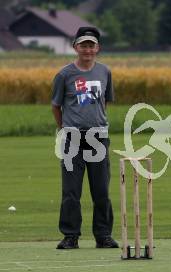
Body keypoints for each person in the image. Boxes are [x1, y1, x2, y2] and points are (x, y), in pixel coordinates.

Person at [52, 26, 118, 249]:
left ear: (98, 48)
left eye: (91, 45)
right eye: (83, 45)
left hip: (98, 137)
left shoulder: (105, 72)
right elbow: (56, 106)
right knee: (71, 190)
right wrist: (65, 128)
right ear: (75, 47)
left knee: (101, 190)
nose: (87, 49)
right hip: (72, 138)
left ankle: (103, 235)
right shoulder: (64, 74)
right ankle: (70, 236)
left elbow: (105, 102)